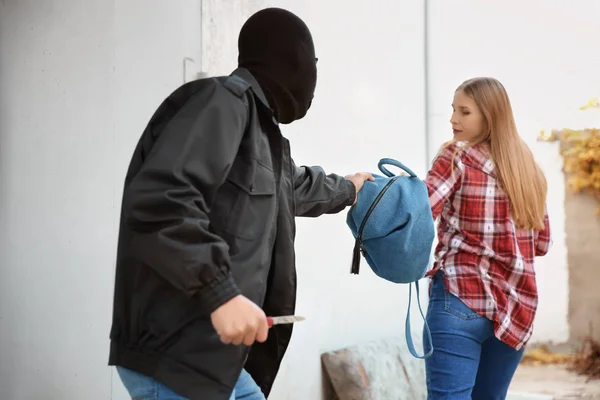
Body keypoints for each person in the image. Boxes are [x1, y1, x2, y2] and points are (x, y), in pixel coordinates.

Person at [107, 7, 374, 400]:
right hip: (176, 354)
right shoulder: (221, 103)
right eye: (310, 63)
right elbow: (164, 201)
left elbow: (292, 185)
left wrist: (349, 188)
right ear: (290, 60)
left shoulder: (260, 129)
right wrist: (221, 293)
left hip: (214, 361)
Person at [422, 77, 552, 399]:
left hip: (459, 297)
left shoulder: (455, 157)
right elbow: (542, 244)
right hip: (516, 307)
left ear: (489, 116)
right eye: (453, 110)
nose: (453, 119)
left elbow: (421, 213)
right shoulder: (527, 169)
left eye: (464, 112)